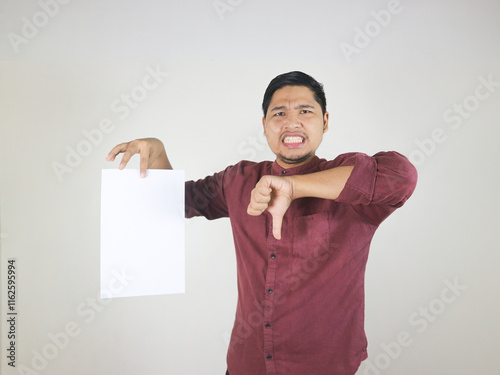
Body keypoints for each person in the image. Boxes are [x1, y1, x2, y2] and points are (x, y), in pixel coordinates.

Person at [106, 71, 418, 375]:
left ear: (324, 121)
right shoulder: (238, 181)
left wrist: (295, 188)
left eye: (305, 111)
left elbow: (401, 177)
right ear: (265, 126)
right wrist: (158, 151)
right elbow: (174, 203)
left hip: (324, 367)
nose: (291, 122)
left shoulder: (347, 184)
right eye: (278, 113)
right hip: (247, 364)